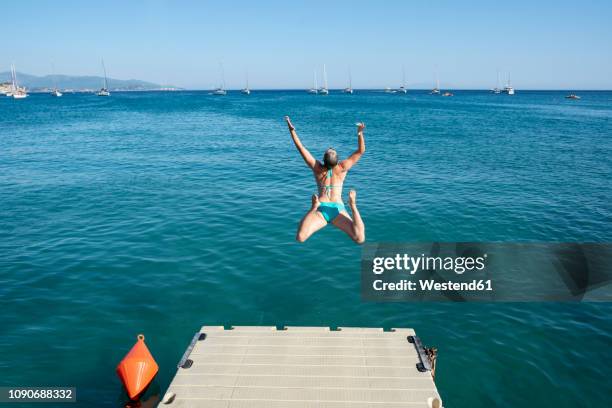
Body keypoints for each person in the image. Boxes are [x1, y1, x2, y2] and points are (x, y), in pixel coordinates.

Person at [285, 116, 366, 244]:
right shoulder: (342, 167)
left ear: (323, 160)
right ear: (338, 160)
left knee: (300, 237)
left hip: (320, 209)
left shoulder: (317, 168)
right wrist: (360, 132)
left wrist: (292, 130)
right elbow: (361, 151)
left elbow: (301, 148)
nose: (330, 148)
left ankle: (313, 208)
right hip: (338, 209)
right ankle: (353, 205)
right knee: (360, 238)